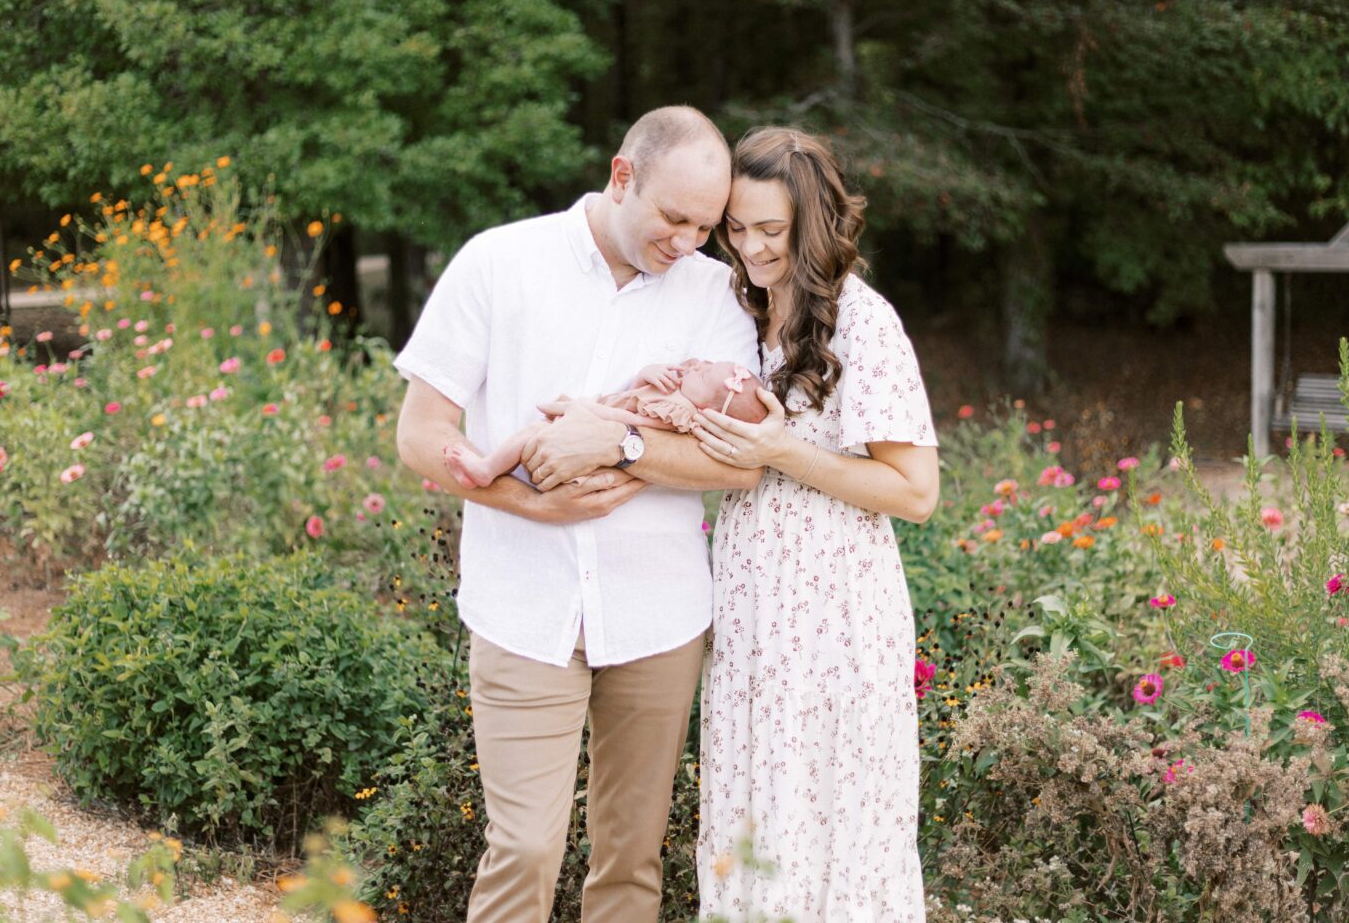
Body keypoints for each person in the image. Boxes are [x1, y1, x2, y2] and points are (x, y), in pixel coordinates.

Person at [392, 105, 761, 923]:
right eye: (674, 218)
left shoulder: (715, 296)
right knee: (522, 849)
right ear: (621, 175)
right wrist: (529, 502)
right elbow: (421, 435)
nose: (689, 243)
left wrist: (620, 447)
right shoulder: (499, 262)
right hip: (524, 605)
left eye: (707, 226)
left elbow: (737, 457)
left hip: (659, 615)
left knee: (631, 860)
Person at [689, 126, 940, 921]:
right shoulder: (737, 315)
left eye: (771, 231)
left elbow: (915, 491)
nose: (751, 249)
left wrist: (782, 450)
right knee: (752, 808)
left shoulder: (863, 324)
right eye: (736, 229)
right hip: (751, 610)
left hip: (834, 615)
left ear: (814, 225)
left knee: (834, 820)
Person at [443, 358, 767, 489]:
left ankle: (487, 470)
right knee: (537, 432)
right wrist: (647, 373)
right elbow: (635, 393)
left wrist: (592, 415)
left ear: (707, 407)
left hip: (599, 422)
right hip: (595, 418)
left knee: (535, 432)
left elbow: (636, 423)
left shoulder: (679, 414)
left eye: (706, 375)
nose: (699, 366)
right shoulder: (677, 387)